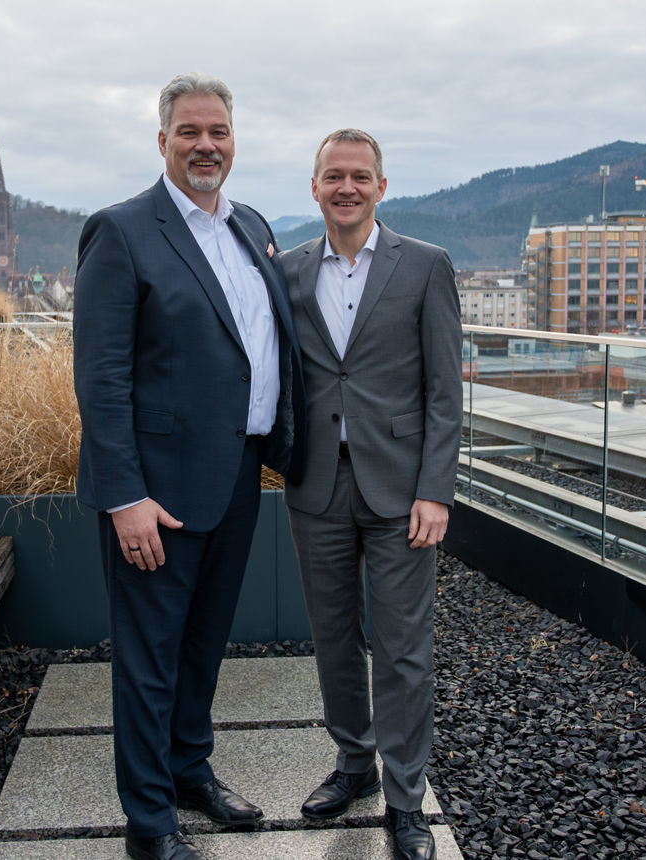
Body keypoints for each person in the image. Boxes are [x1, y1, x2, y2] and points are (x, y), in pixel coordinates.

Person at [72, 73, 302, 860]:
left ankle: (188, 770)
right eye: (190, 132)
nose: (207, 146)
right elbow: (100, 377)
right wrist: (123, 495)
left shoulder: (251, 226)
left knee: (204, 645)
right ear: (162, 139)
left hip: (238, 474)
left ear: (234, 141)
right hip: (156, 492)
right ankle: (150, 822)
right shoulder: (123, 231)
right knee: (149, 660)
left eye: (219, 133)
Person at [278, 129, 462, 860]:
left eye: (360, 176)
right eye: (333, 176)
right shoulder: (288, 271)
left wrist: (436, 491)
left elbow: (445, 393)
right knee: (332, 639)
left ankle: (406, 799)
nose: (346, 187)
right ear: (315, 187)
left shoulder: (425, 267)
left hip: (403, 492)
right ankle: (354, 764)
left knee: (403, 649)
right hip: (316, 484)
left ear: (382, 187)